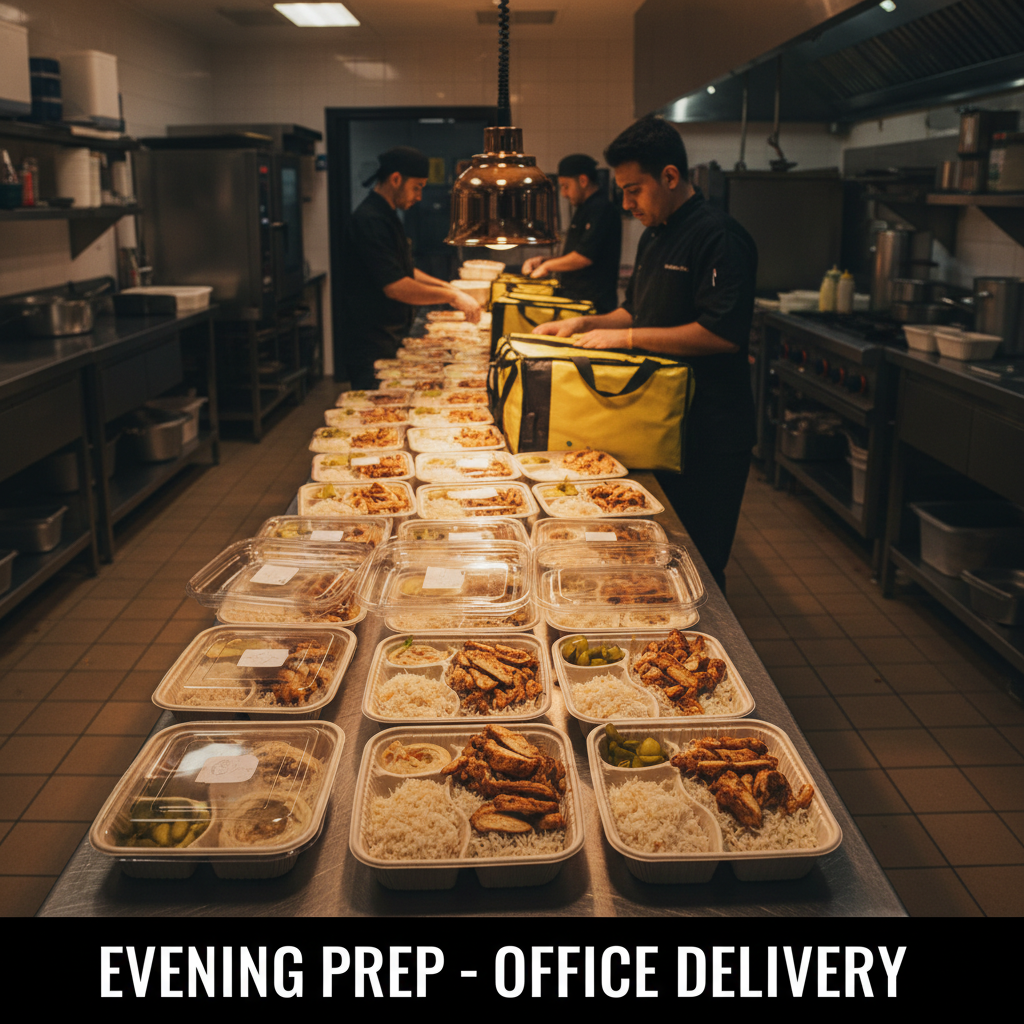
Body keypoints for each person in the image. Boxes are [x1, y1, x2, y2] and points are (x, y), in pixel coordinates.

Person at [533, 117, 757, 591]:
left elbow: (721, 334)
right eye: (622, 192)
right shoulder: (657, 233)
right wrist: (586, 324)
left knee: (700, 558)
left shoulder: (720, 236)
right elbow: (634, 312)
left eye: (635, 190)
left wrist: (628, 340)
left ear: (671, 177)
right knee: (655, 548)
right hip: (659, 422)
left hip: (710, 431)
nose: (628, 204)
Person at [337, 146, 481, 389]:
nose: (419, 196)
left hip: (391, 335)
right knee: (379, 414)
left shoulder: (388, 215)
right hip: (371, 342)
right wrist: (453, 296)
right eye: (417, 187)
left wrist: (446, 286)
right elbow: (396, 286)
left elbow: (405, 269)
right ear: (395, 179)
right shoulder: (370, 220)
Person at [521, 153, 622, 313]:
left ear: (583, 180)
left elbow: (583, 257)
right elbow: (575, 252)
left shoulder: (602, 209)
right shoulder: (584, 208)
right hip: (576, 300)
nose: (563, 194)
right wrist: (543, 260)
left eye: (565, 186)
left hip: (593, 305)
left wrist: (548, 266)